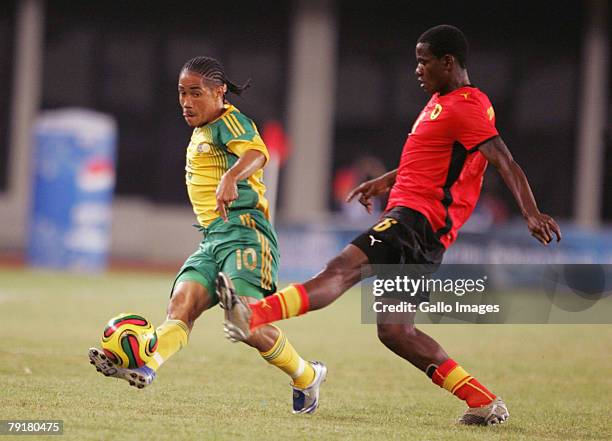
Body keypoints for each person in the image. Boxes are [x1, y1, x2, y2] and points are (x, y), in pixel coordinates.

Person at [217, 25, 562, 425]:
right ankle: (482, 400)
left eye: (424, 61)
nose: (417, 69)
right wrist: (386, 180)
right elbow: (433, 159)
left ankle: (252, 315)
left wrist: (530, 212)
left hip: (414, 222)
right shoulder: (445, 102)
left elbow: (504, 159)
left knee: (341, 270)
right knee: (396, 331)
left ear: (448, 62)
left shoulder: (465, 105)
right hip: (420, 228)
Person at [88, 56, 326, 414]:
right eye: (182, 93)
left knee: (246, 324)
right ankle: (145, 366)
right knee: (180, 308)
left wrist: (231, 177)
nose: (186, 101)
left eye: (195, 93)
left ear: (219, 92)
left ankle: (307, 375)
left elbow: (257, 153)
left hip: (247, 234)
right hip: (213, 239)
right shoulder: (202, 129)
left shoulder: (231, 121)